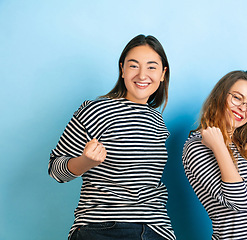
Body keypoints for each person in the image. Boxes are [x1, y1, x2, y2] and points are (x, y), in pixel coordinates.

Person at [48, 34, 176, 240]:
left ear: (163, 73)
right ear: (122, 69)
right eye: (134, 66)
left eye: (151, 67)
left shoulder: (157, 122)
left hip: (156, 229)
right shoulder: (96, 110)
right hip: (105, 228)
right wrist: (85, 162)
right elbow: (56, 169)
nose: (142, 75)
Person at [182, 70, 247, 239]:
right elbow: (238, 201)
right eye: (237, 98)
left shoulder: (245, 148)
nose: (242, 108)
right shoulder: (197, 146)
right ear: (220, 96)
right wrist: (218, 146)